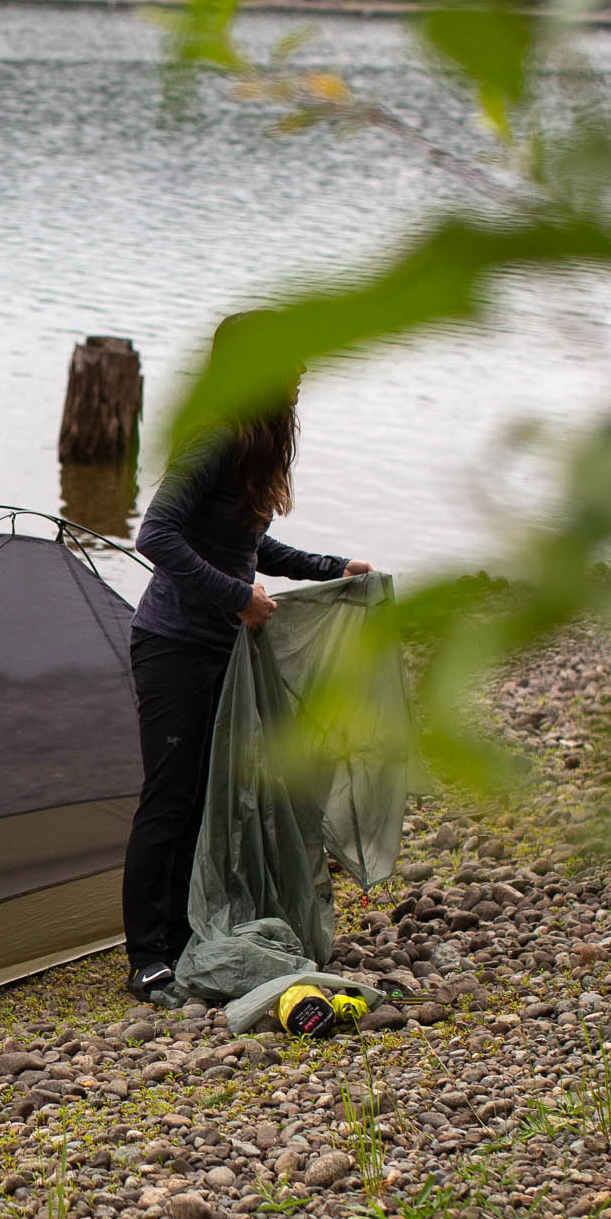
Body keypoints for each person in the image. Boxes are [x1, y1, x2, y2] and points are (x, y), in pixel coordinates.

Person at [122, 372, 372, 1003]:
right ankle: (146, 956)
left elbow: (249, 545)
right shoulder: (214, 437)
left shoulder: (247, 447)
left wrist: (333, 568)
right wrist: (237, 597)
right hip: (173, 646)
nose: (296, 380)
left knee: (203, 798)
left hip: (221, 649)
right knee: (169, 799)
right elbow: (155, 534)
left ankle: (182, 935)